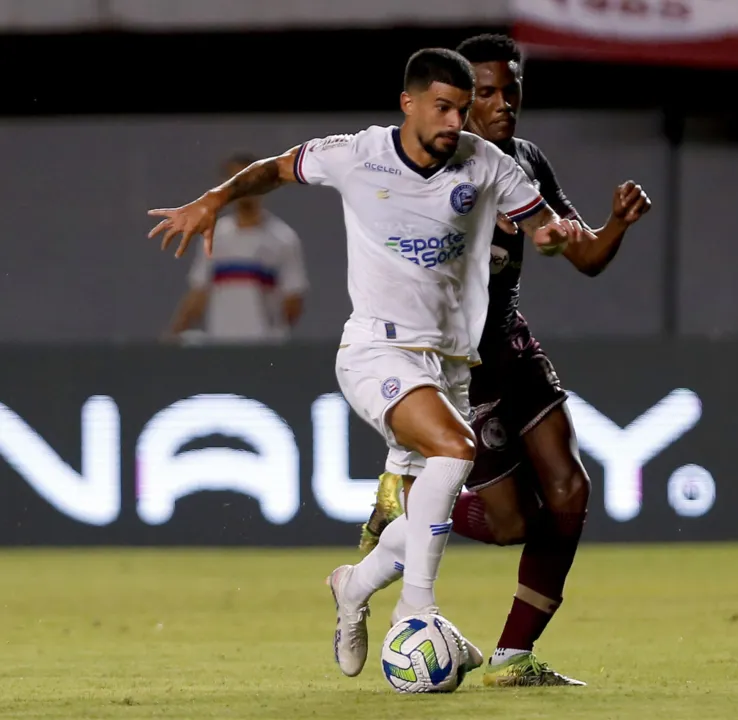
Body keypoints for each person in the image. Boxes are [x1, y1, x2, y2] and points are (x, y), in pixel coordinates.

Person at [146, 47, 592, 680]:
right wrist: (213, 199)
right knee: (455, 451)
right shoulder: (357, 154)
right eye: (443, 108)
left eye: (462, 110)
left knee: (420, 521)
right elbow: (274, 169)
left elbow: (547, 229)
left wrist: (574, 234)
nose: (454, 122)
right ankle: (418, 613)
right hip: (376, 350)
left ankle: (353, 588)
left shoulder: (484, 162)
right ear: (407, 104)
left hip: (451, 365)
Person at [353, 34, 652, 687]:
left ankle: (513, 656)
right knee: (514, 521)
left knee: (571, 488)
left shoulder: (524, 162)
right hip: (463, 364)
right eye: (484, 93)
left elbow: (584, 257)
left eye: (510, 90)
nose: (501, 103)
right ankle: (403, 502)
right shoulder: (439, 165)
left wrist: (613, 225)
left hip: (511, 343)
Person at [163, 152, 308, 345]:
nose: (244, 190)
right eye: (236, 182)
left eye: (250, 181)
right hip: (221, 348)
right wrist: (174, 333)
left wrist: (272, 333)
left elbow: (293, 300)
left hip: (265, 350)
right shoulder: (215, 235)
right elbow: (199, 293)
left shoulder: (283, 239)